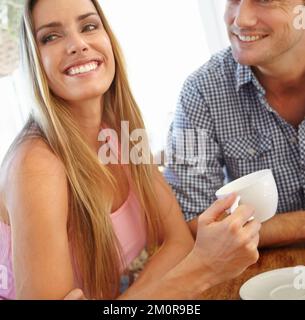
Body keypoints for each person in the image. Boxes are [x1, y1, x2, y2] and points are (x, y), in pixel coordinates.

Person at [0, 0, 260, 300]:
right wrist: (205, 268)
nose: (78, 44)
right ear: (34, 61)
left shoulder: (119, 133)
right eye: (51, 37)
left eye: (89, 26)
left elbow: (178, 242)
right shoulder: (36, 166)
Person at [164, 0, 305, 248]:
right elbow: (195, 220)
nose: (241, 20)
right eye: (234, 1)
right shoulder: (202, 91)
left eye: (265, 1)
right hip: (265, 275)